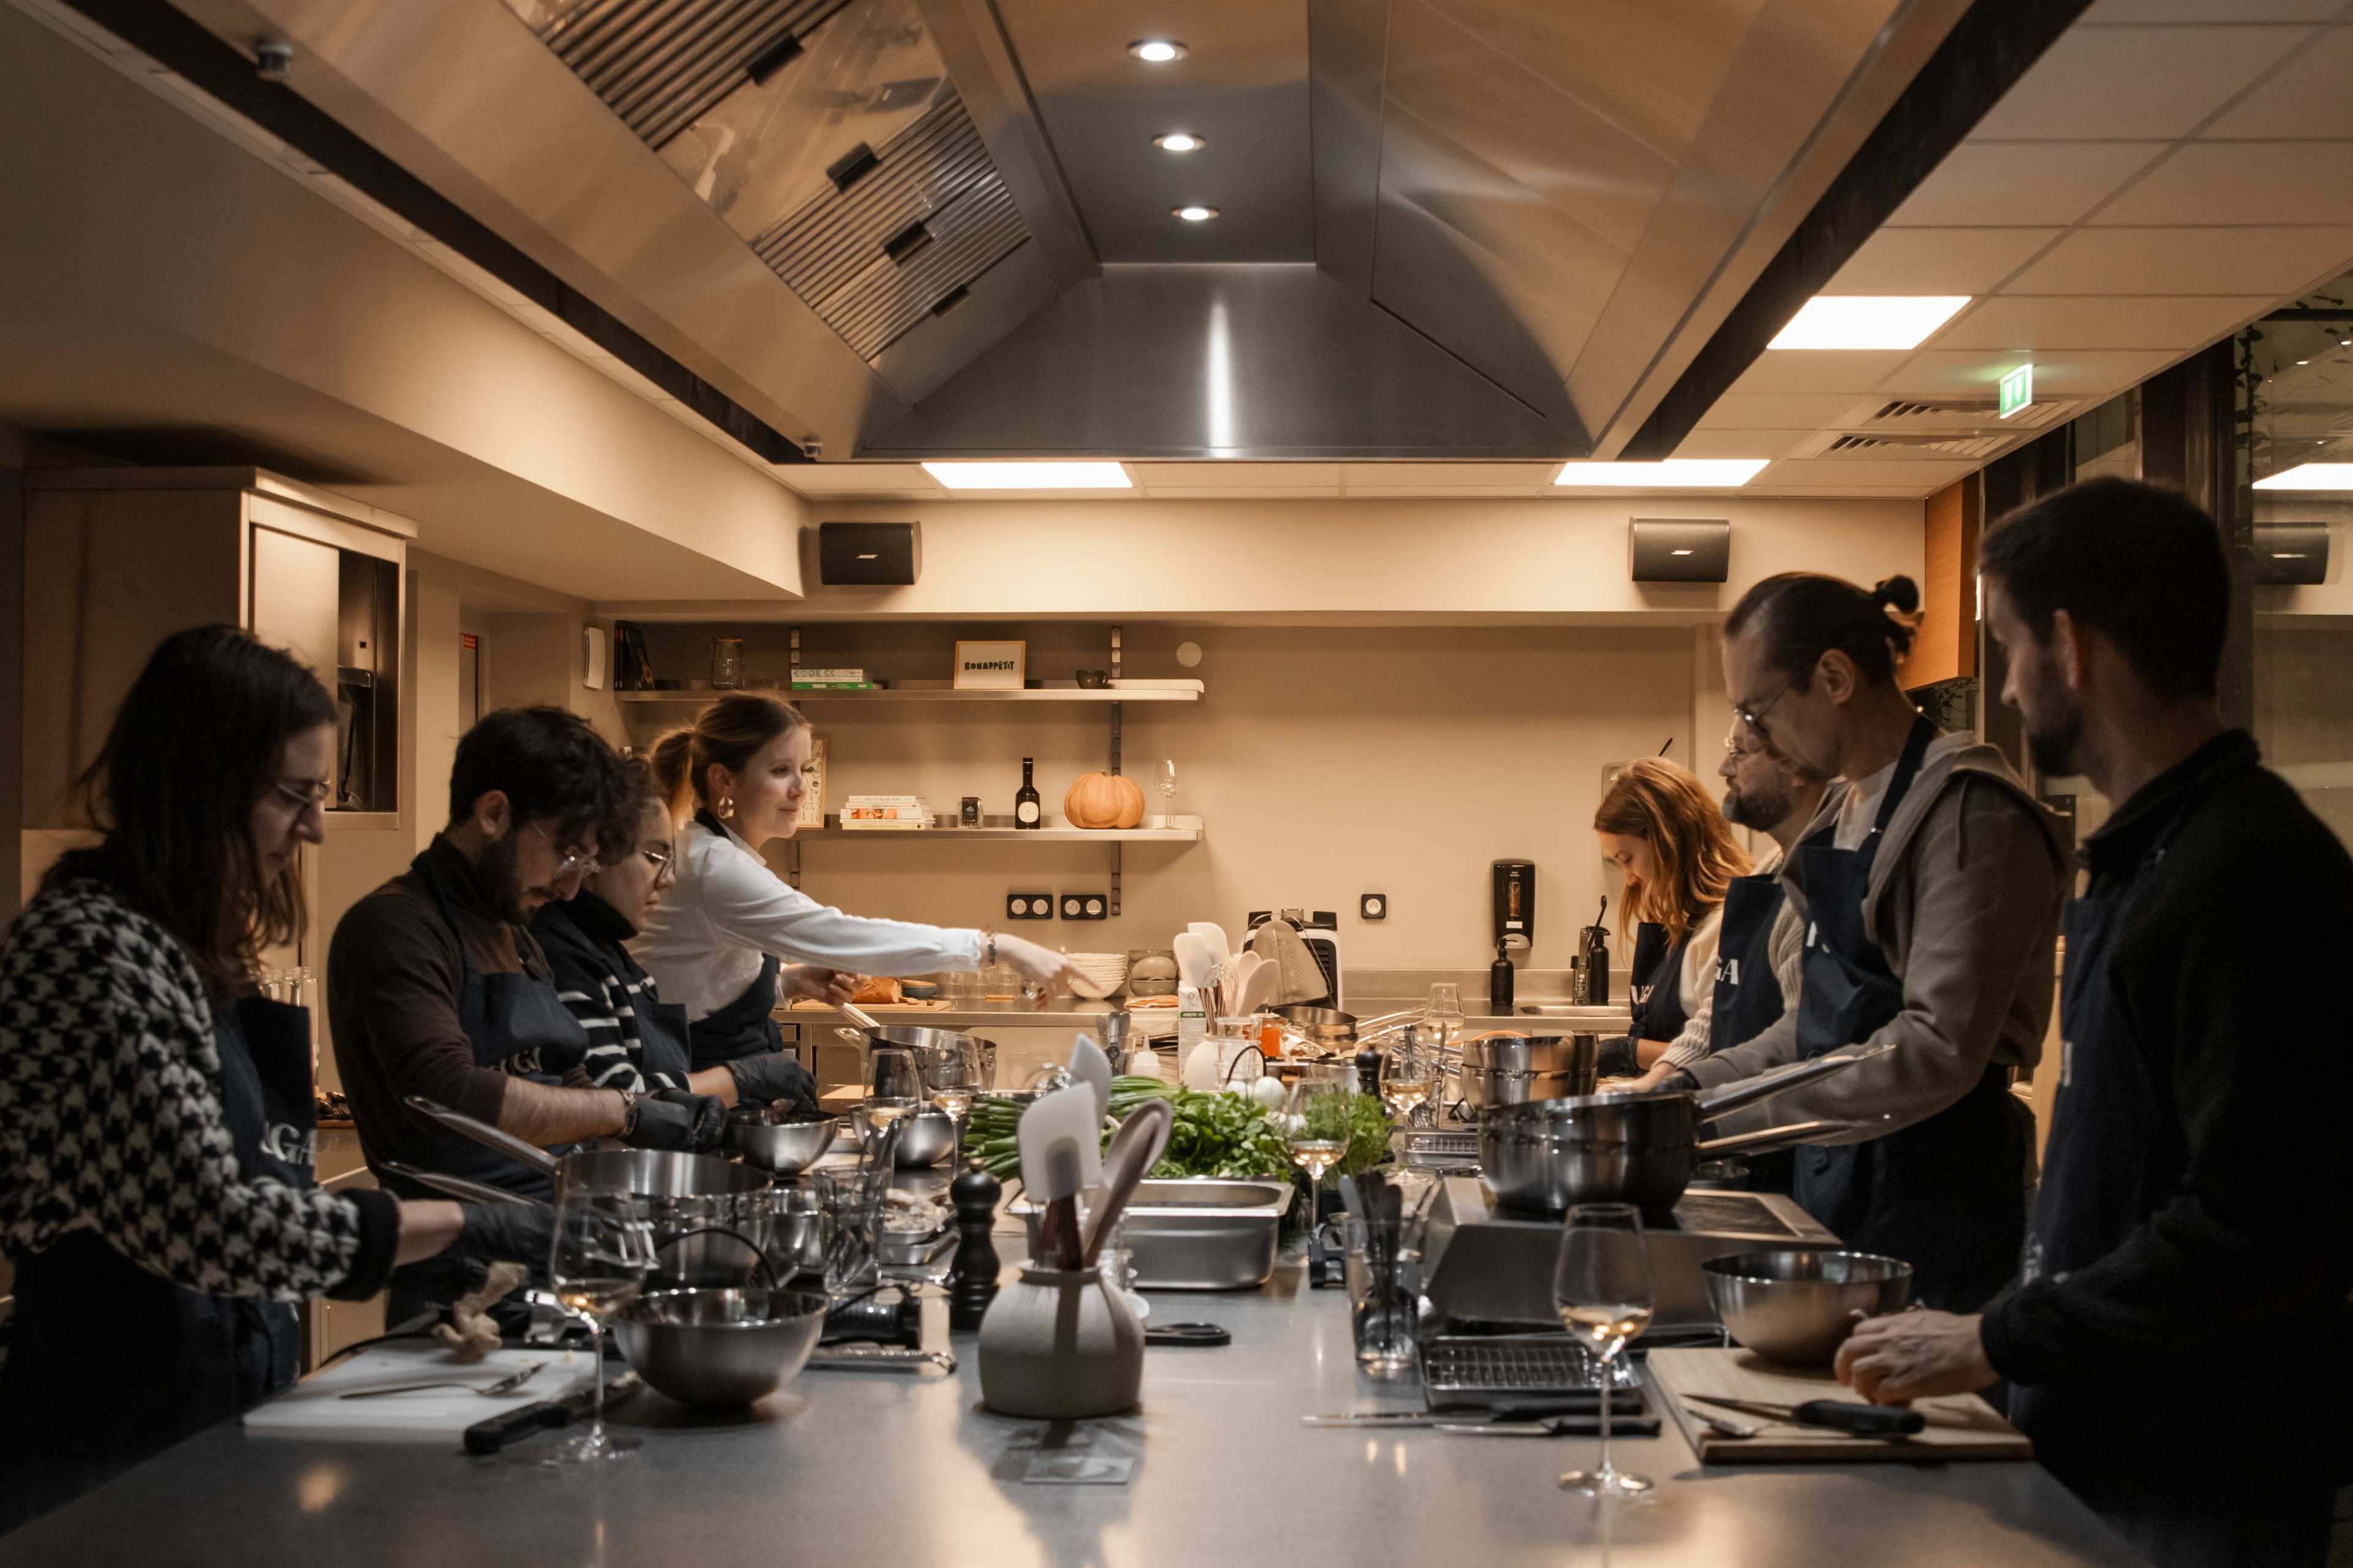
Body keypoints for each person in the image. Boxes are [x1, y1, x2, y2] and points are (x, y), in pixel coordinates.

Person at [1838, 479, 2353, 1568]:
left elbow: (2247, 1224)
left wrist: (1993, 1332)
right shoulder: (2148, 857)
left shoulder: (2243, 868)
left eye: (2009, 645)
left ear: (2069, 645)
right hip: (2104, 1433)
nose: (2008, 687)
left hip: (2198, 1468)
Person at [0, 629, 544, 1532]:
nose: (316, 825)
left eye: (319, 794)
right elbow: (218, 1223)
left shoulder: (182, 945)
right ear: (197, 786)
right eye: (293, 795)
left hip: (208, 1419)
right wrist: (473, 1222)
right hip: (106, 1453)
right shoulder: (91, 948)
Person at [1665, 572, 2066, 1312]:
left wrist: (1715, 1119)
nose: (1750, 739)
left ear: (1834, 677)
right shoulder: (1845, 810)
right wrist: (1686, 1090)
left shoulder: (1967, 808)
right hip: (1836, 1176)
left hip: (1932, 1194)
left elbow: (1934, 1049)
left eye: (1758, 711)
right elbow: (1815, 1023)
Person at [329, 708, 725, 1318]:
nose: (570, 888)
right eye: (567, 854)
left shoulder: (517, 932)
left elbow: (567, 1077)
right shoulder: (397, 928)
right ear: (493, 814)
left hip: (554, 1252)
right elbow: (451, 1094)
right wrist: (625, 1112)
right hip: (463, 1290)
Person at [636, 692, 1083, 1070]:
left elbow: (696, 980)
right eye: (779, 771)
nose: (801, 788)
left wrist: (789, 983)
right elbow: (842, 936)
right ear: (724, 779)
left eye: (804, 770)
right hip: (695, 1086)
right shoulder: (715, 866)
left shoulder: (716, 854)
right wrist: (998, 947)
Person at [533, 760, 817, 1111]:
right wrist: (741, 1078)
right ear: (594, 852)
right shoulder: (565, 960)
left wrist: (792, 981)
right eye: (655, 857)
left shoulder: (609, 954)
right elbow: (617, 1106)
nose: (667, 879)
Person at [1591, 759, 1748, 1078]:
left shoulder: (1728, 927)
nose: (1630, 879)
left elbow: (1724, 1054)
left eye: (1628, 859)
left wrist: (1629, 1051)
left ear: (1668, 839)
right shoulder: (1681, 922)